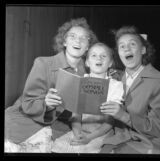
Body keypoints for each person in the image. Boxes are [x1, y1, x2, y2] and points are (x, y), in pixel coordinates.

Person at [4, 17, 98, 152]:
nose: (78, 41)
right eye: (72, 36)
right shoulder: (43, 63)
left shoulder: (88, 73)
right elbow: (28, 103)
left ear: (88, 46)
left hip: (56, 126)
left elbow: (79, 111)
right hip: (23, 122)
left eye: (84, 38)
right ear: (64, 41)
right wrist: (46, 104)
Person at [100, 26, 160, 154]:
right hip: (124, 137)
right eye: (122, 46)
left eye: (132, 44)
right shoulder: (117, 79)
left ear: (143, 50)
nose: (126, 48)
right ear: (119, 53)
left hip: (153, 141)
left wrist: (123, 116)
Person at [51, 42, 124, 153]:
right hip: (80, 130)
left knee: (87, 150)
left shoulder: (115, 86)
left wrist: (89, 138)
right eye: (94, 55)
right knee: (59, 146)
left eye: (103, 56)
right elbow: (76, 116)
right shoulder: (80, 82)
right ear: (87, 62)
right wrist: (78, 134)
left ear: (110, 63)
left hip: (102, 133)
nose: (98, 58)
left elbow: (110, 122)